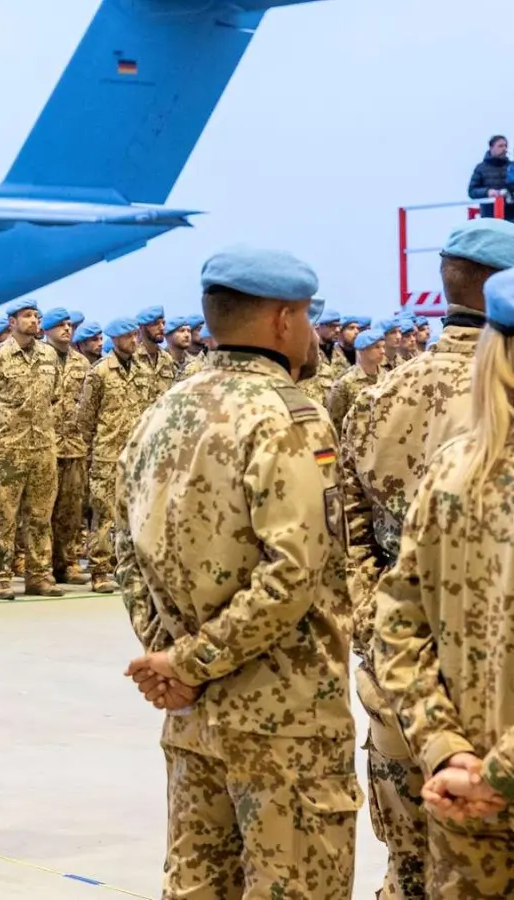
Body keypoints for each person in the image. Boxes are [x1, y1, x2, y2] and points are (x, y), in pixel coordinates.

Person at [117, 246, 359, 899]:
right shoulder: (287, 414)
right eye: (306, 316)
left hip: (192, 717)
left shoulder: (161, 412)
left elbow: (127, 549)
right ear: (282, 320)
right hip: (284, 719)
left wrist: (168, 660)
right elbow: (291, 574)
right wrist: (190, 662)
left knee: (198, 884)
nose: (312, 331)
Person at [341, 218, 514, 899]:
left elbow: (350, 535)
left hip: (408, 696)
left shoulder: (377, 397)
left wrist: (375, 641)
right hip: (484, 721)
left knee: (411, 870)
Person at [0, 298, 61, 600]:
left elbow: (55, 396)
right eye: (27, 316)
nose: (34, 320)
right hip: (6, 450)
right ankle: (1, 578)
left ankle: (39, 576)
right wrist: (4, 430)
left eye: (37, 315)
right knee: (3, 519)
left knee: (40, 517)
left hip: (42, 449)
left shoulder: (49, 356)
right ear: (12, 322)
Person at [77, 317, 145, 595]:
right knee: (104, 516)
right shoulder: (100, 372)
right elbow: (85, 418)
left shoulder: (142, 369)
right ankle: (100, 571)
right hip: (107, 455)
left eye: (134, 335)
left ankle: (128, 567)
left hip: (137, 455)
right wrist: (98, 446)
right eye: (129, 336)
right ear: (115, 339)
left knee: (134, 515)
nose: (134, 341)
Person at [42, 307, 91, 585]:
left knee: (72, 510)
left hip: (73, 445)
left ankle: (68, 562)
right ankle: (43, 565)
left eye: (69, 325)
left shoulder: (81, 363)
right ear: (46, 330)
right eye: (60, 325)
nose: (67, 330)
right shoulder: (38, 359)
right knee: (41, 512)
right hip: (43, 444)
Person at [325, 328, 384, 432]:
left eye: (383, 347)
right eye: (377, 347)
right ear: (362, 350)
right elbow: (335, 421)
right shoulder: (345, 382)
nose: (383, 351)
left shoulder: (387, 377)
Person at [468, 134, 512, 221]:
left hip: (511, 215)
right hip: (490, 217)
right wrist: (487, 192)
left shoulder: (512, 166)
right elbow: (472, 191)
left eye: (505, 146)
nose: (504, 149)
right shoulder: (481, 168)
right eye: (500, 146)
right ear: (491, 147)